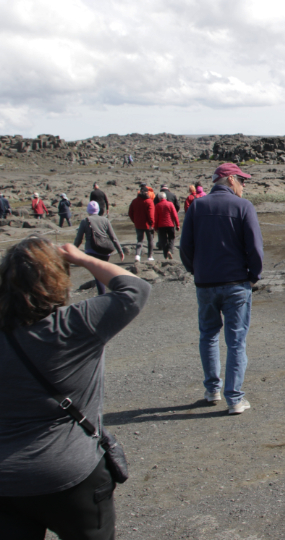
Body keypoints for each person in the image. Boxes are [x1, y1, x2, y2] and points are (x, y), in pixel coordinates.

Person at [0, 238, 151, 538]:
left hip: (6, 481)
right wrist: (82, 258)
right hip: (72, 473)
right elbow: (136, 289)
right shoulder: (75, 326)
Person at [180, 163, 264, 414]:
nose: (243, 185)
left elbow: (185, 247)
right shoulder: (243, 207)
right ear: (229, 180)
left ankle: (212, 390)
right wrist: (253, 276)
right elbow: (255, 247)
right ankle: (235, 399)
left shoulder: (197, 206)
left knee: (208, 334)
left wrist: (196, 271)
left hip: (205, 283)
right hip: (236, 283)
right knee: (236, 340)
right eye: (241, 179)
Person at [74, 201, 125, 294]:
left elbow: (78, 239)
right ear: (98, 210)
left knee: (98, 275)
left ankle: (102, 295)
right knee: (102, 273)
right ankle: (112, 292)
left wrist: (73, 250)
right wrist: (120, 251)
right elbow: (113, 237)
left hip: (91, 251)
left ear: (88, 210)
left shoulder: (85, 221)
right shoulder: (105, 220)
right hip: (105, 251)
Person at [127, 186, 156, 262]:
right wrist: (152, 224)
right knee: (150, 240)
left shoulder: (134, 201)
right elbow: (151, 215)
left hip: (138, 224)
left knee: (139, 240)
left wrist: (135, 221)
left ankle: (137, 255)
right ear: (147, 193)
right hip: (148, 225)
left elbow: (130, 213)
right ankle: (149, 256)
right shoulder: (149, 201)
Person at [153, 192, 180, 260]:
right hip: (170, 224)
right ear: (165, 198)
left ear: (159, 198)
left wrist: (155, 227)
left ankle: (166, 256)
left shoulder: (157, 205)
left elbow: (156, 217)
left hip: (161, 225)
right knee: (171, 238)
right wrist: (177, 225)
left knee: (163, 240)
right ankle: (170, 250)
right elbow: (175, 215)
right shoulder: (170, 204)